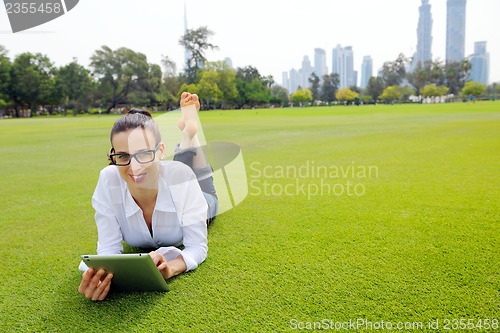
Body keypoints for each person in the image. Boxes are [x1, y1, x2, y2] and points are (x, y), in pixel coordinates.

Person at [78, 92, 217, 301]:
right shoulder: (108, 180)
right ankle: (187, 134)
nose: (134, 167)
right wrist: (100, 277)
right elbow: (108, 250)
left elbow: (197, 247)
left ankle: (190, 133)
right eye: (123, 156)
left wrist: (170, 268)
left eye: (144, 153)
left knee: (202, 184)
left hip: (198, 198)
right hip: (169, 175)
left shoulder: (182, 178)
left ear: (160, 150)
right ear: (113, 155)